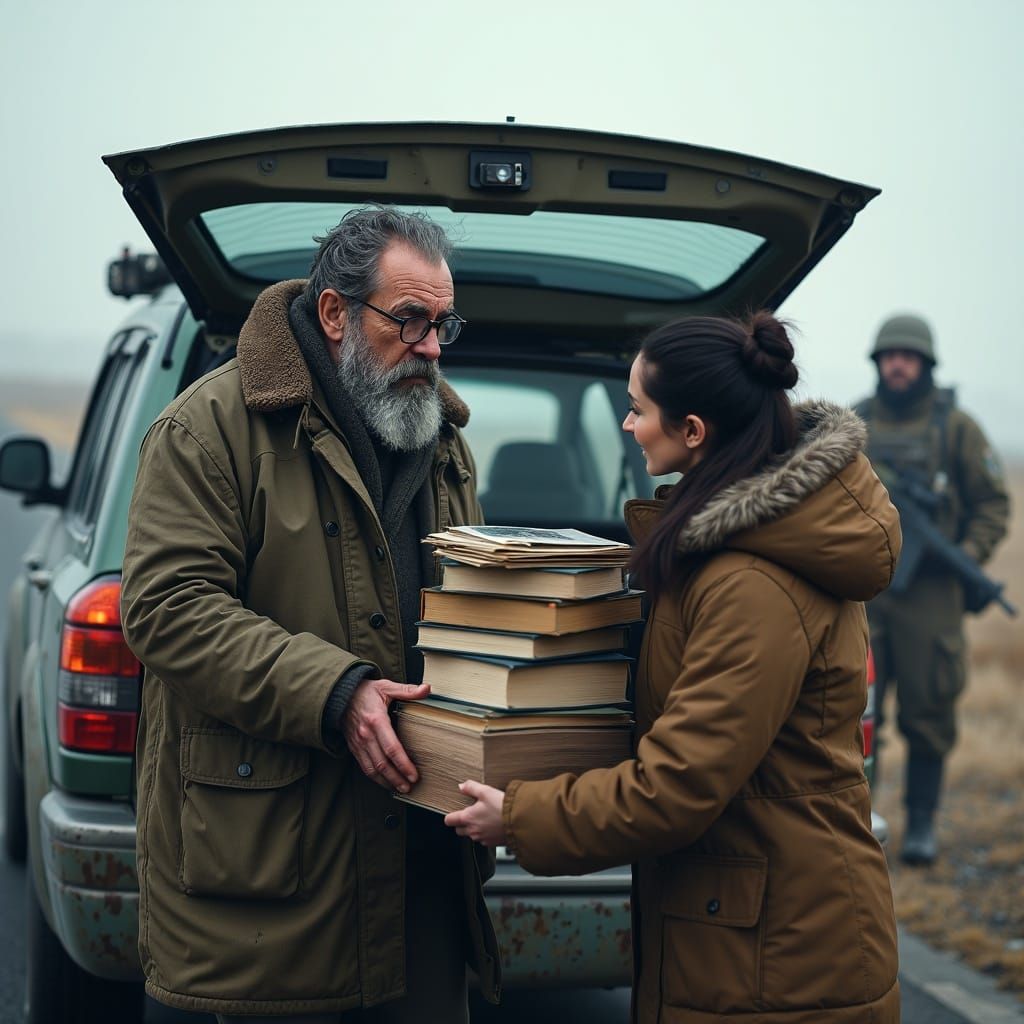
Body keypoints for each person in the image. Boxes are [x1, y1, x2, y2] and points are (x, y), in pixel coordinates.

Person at [446, 313, 902, 1023]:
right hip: (745, 931)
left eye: (636, 409)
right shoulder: (731, 552)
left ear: (693, 430)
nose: (628, 426)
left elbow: (679, 785)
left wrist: (523, 817)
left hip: (784, 958)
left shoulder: (753, 581)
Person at [120, 206, 499, 1023]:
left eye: (443, 323)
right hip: (270, 880)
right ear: (335, 315)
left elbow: (469, 610)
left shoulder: (442, 438)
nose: (433, 348)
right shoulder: (208, 428)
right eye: (410, 321)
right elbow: (166, 608)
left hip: (421, 878)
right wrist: (338, 691)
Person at [856, 314, 1010, 865]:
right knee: (854, 712)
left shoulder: (957, 430)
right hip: (864, 594)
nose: (898, 364)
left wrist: (966, 557)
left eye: (908, 356)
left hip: (932, 597)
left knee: (930, 710)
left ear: (925, 364)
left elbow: (993, 503)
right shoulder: (854, 424)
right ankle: (853, 821)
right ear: (878, 363)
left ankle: (921, 823)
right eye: (889, 355)